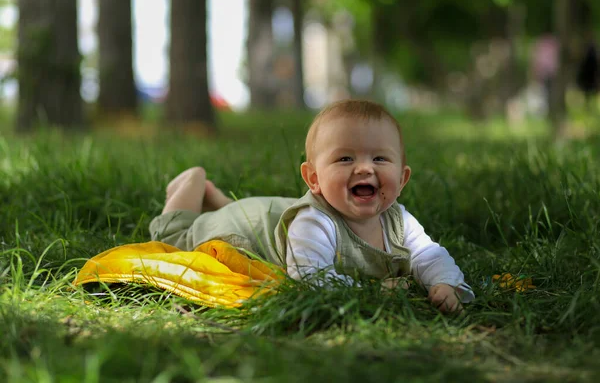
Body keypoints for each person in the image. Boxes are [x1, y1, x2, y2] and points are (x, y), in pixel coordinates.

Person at [149, 100, 474, 313]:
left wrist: (446, 283)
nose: (364, 168)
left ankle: (216, 198)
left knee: (252, 211)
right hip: (237, 226)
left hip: (267, 211)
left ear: (402, 179)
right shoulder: (313, 223)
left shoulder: (398, 221)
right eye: (345, 158)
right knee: (173, 233)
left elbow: (430, 255)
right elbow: (311, 278)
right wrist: (379, 291)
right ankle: (195, 181)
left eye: (379, 158)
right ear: (313, 178)